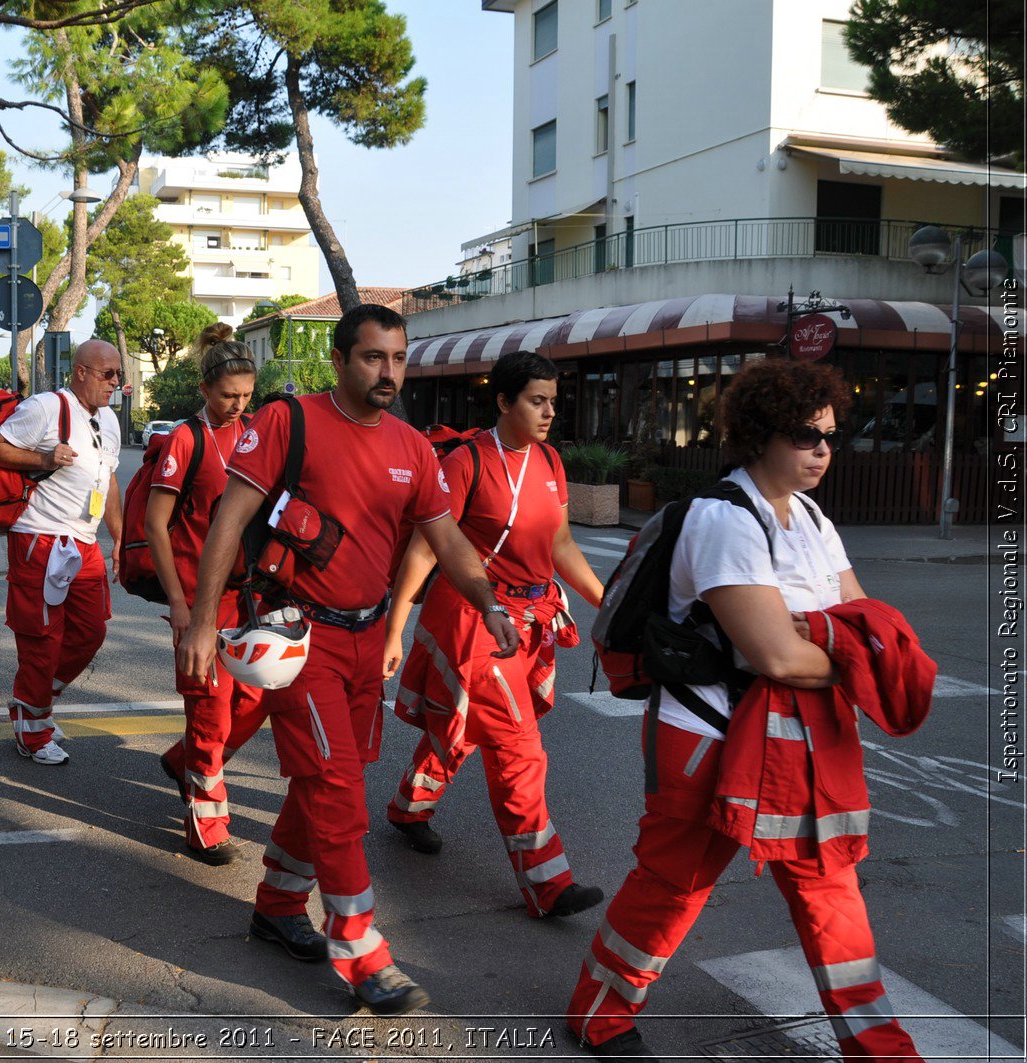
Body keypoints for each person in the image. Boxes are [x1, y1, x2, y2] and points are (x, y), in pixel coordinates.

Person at [565, 359, 920, 1061]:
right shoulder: (724, 519)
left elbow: (862, 622)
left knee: (831, 887)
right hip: (708, 731)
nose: (822, 449)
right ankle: (598, 1010)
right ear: (759, 434)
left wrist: (835, 641)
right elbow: (776, 656)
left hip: (798, 739)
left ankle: (883, 1049)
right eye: (804, 434)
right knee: (674, 882)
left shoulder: (813, 518)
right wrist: (843, 652)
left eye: (830, 435)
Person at [177, 304, 520, 1016]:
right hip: (302, 638)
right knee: (337, 792)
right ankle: (363, 952)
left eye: (397, 358)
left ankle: (276, 905)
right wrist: (204, 620)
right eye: (373, 357)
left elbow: (447, 537)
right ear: (338, 360)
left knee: (324, 781)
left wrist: (486, 599)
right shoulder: (287, 422)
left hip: (367, 639)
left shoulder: (414, 447)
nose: (388, 371)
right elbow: (229, 518)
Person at [380, 351, 607, 920]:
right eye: (537, 400)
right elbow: (426, 547)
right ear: (504, 401)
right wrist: (395, 629)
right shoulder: (465, 462)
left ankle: (410, 807)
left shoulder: (551, 460)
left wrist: (611, 603)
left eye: (554, 400)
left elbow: (560, 547)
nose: (550, 411)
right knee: (518, 747)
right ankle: (548, 882)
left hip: (532, 622)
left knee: (466, 727)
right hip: (476, 621)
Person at [151, 328, 267, 864]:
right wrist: (177, 603)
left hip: (250, 599)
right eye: (228, 396)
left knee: (256, 701)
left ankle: (182, 763)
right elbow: (156, 525)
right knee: (211, 714)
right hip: (200, 602)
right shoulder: (184, 439)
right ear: (204, 388)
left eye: (247, 396)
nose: (238, 406)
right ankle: (206, 822)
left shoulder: (256, 434)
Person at [0, 339, 124, 766]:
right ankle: (33, 730)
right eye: (108, 374)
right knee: (42, 642)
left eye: (118, 375)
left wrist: (118, 538)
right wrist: (44, 456)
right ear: (80, 371)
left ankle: (36, 702)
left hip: (84, 541)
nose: (116, 383)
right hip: (38, 539)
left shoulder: (110, 420)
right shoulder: (47, 406)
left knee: (91, 631)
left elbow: (110, 482)